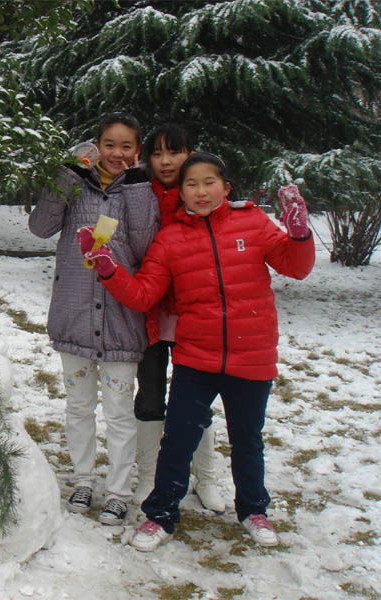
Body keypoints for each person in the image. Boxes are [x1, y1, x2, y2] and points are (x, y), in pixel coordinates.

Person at [79, 152, 314, 550]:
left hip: (252, 355)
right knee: (177, 439)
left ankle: (254, 510)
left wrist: (300, 235)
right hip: (196, 358)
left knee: (247, 440)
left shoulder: (253, 222)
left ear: (226, 186)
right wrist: (108, 268)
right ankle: (161, 515)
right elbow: (143, 295)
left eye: (210, 182)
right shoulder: (171, 238)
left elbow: (296, 267)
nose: (201, 191)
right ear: (181, 192)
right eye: (191, 184)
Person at [29, 113, 160, 526]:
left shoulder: (141, 190)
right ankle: (83, 478)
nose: (117, 154)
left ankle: (119, 490)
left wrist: (138, 186)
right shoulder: (75, 186)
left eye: (126, 146)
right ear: (96, 146)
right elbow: (40, 226)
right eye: (109, 145)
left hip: (122, 322)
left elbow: (143, 244)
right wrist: (67, 174)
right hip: (74, 318)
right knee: (79, 407)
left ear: (136, 151)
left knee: (119, 412)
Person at [134, 124, 224, 512]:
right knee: (151, 396)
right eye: (157, 153)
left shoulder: (202, 198)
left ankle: (206, 478)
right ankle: (147, 478)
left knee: (196, 403)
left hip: (194, 315)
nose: (166, 161)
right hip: (148, 312)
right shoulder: (136, 193)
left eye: (175, 151)